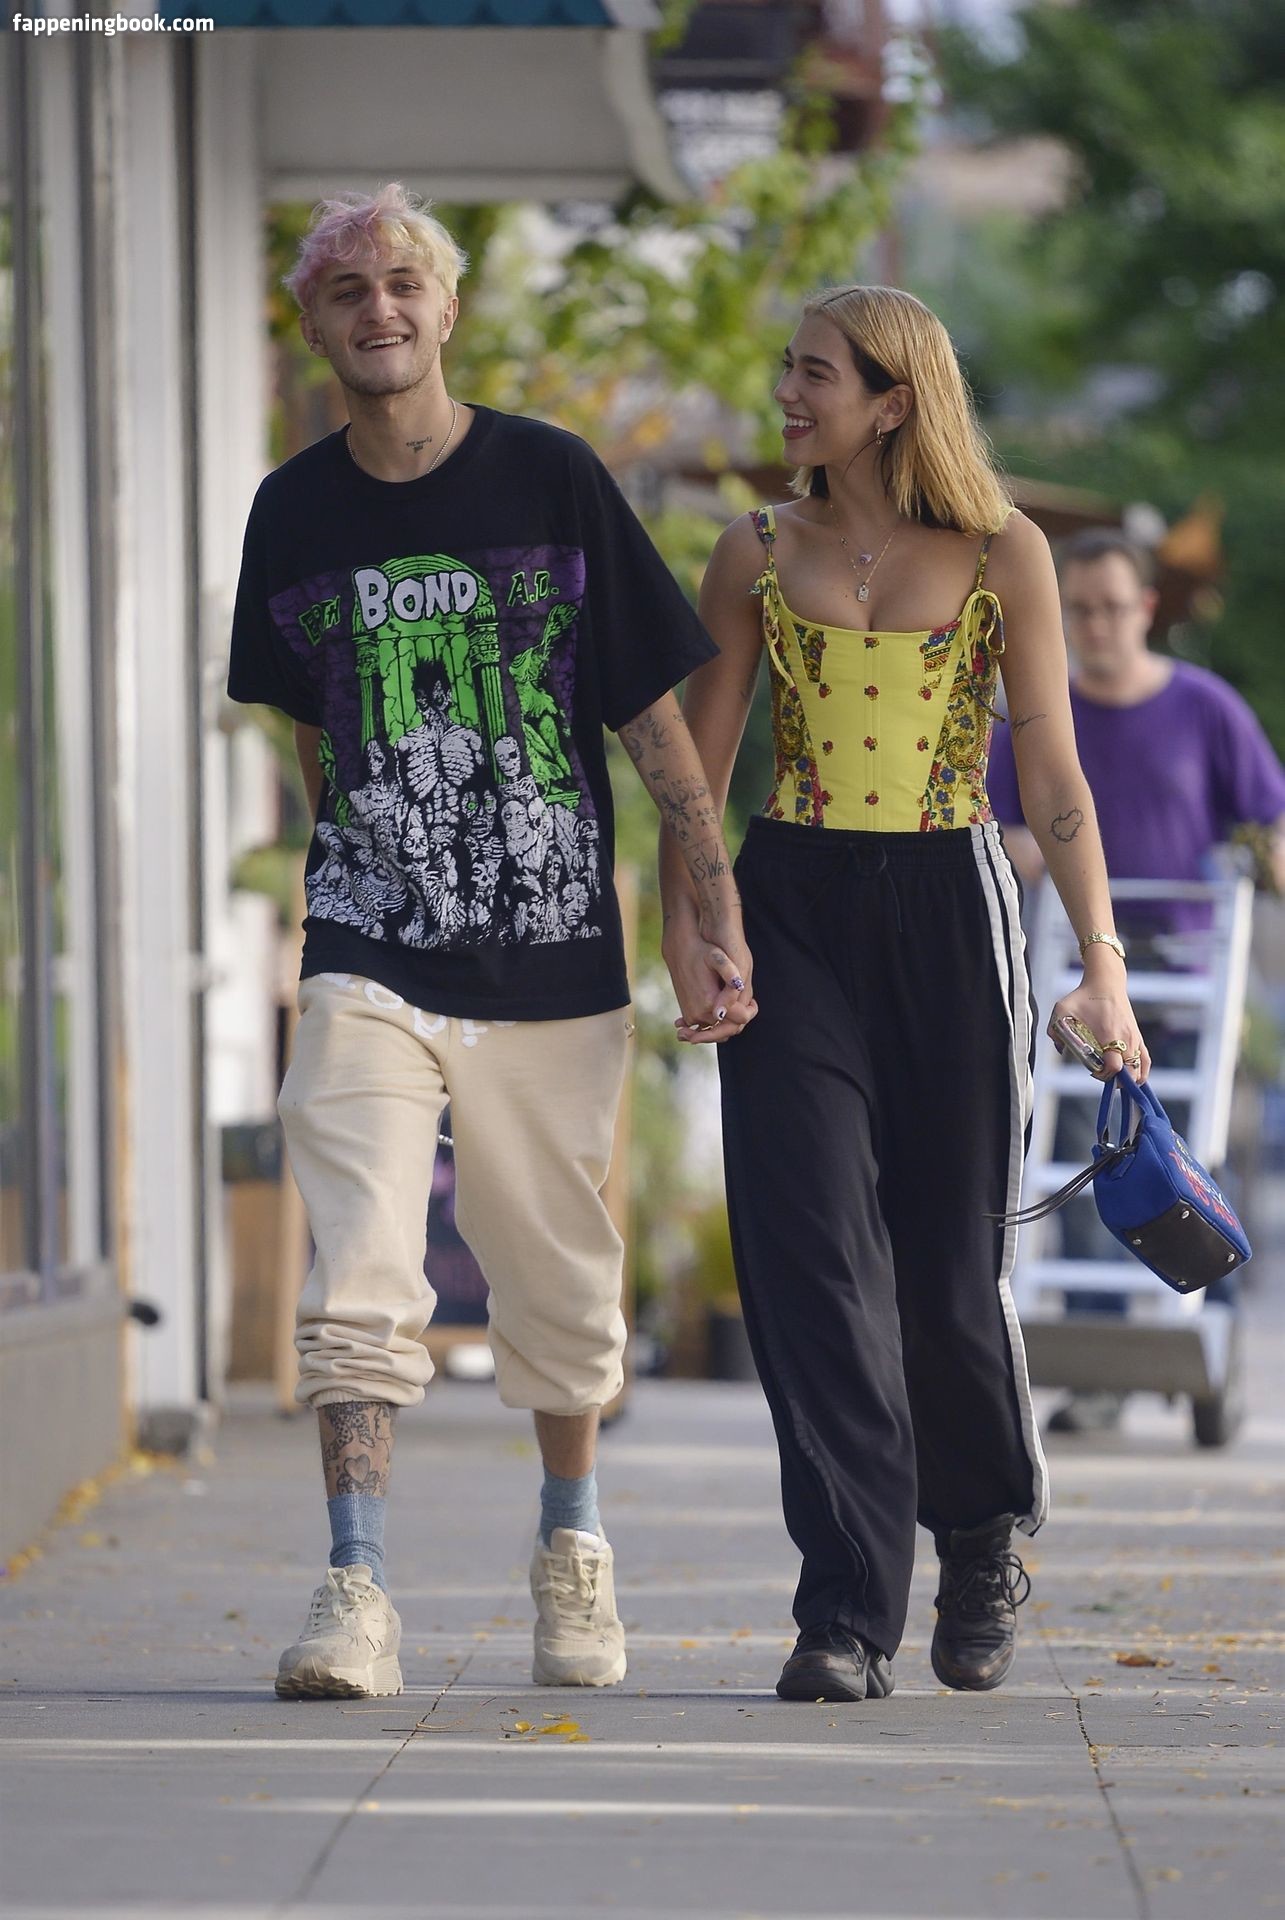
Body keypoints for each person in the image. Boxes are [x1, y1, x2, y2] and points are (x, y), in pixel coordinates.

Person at [227, 185, 754, 1701]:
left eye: (403, 282)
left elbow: (648, 718)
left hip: (551, 956)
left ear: (447, 309)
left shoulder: (551, 477)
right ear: (314, 326)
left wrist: (708, 909)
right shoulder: (291, 512)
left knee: (560, 1287)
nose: (378, 309)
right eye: (346, 291)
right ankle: (355, 1588)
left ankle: (572, 1545)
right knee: (358, 1272)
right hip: (369, 948)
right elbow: (314, 731)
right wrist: (354, 873)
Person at [660, 284, 1148, 1703]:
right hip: (792, 905)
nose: (785, 393)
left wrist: (1100, 962)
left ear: (891, 400)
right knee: (811, 1261)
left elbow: (1050, 774)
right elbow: (698, 770)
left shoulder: (1004, 551)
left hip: (950, 907)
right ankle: (845, 1610)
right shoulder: (752, 550)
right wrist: (693, 932)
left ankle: (979, 1534)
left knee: (943, 1273)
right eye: (787, 368)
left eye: (812, 373)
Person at [987, 528, 1285, 1433]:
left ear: (1146, 608)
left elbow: (1268, 818)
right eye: (1078, 609)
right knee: (1092, 1161)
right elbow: (992, 822)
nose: (1096, 625)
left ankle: (1212, 1362)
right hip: (1076, 977)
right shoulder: (1038, 716)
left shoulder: (1204, 708)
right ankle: (1104, 1370)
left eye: (1112, 607)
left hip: (1184, 975)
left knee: (1195, 1163)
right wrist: (1019, 848)